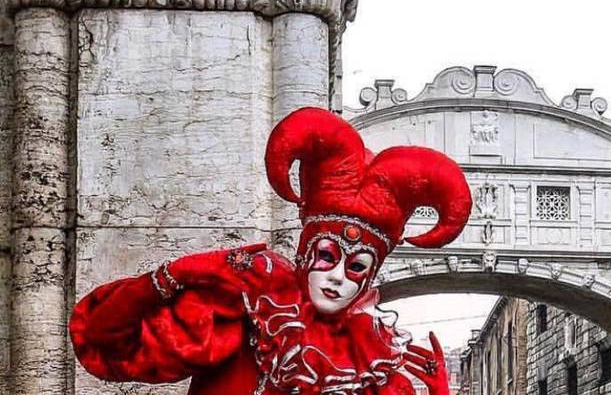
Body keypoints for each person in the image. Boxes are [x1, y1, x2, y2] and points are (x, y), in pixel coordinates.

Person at [70, 107, 472, 395]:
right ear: (304, 253)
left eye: (357, 267)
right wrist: (170, 277)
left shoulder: (372, 369)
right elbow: (107, 341)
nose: (336, 277)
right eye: (328, 256)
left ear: (369, 278)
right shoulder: (243, 321)